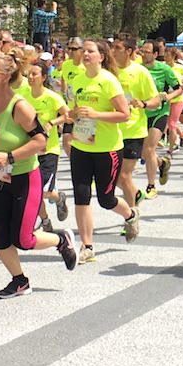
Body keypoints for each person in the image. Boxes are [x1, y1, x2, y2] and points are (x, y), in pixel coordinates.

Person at [0, 52, 78, 297]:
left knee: (24, 239)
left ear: (5, 76)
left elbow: (41, 141)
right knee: (0, 238)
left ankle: (61, 240)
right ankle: (19, 280)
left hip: (25, 177)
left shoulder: (20, 107)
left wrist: (11, 157)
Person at [67, 39, 140, 263]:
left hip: (107, 148)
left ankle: (130, 214)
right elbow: (71, 111)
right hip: (81, 145)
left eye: (91, 51)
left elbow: (124, 114)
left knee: (105, 199)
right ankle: (87, 246)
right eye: (84, 51)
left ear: (101, 56)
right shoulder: (76, 79)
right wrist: (74, 116)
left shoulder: (108, 81)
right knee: (81, 196)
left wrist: (96, 115)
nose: (86, 54)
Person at [21, 64, 70, 233]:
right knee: (33, 190)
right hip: (29, 149)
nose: (31, 77)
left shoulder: (52, 97)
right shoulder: (22, 95)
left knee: (41, 191)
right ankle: (45, 220)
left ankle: (58, 198)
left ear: (43, 77)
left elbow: (68, 116)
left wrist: (52, 122)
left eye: (35, 74)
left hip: (49, 150)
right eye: (29, 74)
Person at [111, 38, 159, 207]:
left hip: (133, 130)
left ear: (129, 51)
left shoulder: (140, 72)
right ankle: (135, 193)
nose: (113, 50)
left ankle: (132, 215)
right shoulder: (108, 72)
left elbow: (156, 100)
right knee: (111, 176)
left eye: (117, 47)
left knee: (124, 176)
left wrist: (144, 104)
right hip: (110, 130)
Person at [138, 41, 181, 197]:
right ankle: (162, 163)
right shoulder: (137, 69)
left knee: (149, 149)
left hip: (159, 112)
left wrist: (167, 97)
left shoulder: (164, 69)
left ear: (155, 54)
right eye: (142, 51)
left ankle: (151, 185)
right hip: (141, 114)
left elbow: (179, 89)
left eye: (147, 52)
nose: (143, 54)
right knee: (143, 153)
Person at [55, 37, 85, 157]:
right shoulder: (66, 65)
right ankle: (75, 163)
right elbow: (64, 79)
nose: (70, 51)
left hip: (84, 110)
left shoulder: (86, 66)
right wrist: (64, 93)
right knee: (66, 139)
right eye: (69, 48)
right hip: (71, 109)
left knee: (84, 142)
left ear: (82, 50)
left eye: (74, 49)